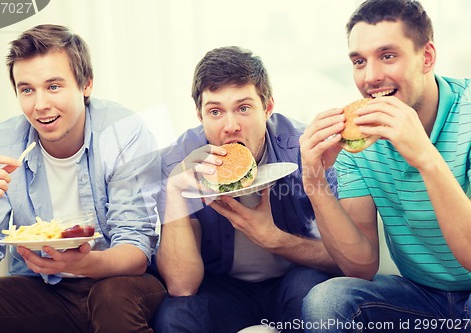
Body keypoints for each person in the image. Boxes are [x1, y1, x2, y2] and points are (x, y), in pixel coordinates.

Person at [0, 24, 166, 333]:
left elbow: (136, 250)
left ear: (86, 85)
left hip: (119, 280)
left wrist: (82, 264)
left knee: (112, 298)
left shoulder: (123, 131)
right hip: (46, 287)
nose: (40, 105)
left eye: (53, 86)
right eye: (27, 89)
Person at [299, 0, 471, 332]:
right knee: (326, 300)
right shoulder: (357, 140)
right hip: (419, 297)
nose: (371, 77)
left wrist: (424, 156)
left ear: (427, 57)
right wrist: (314, 182)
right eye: (359, 62)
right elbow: (361, 267)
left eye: (387, 56)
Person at [152, 46, 341, 333]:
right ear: (199, 115)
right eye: (215, 111)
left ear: (267, 108)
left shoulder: (305, 151)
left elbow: (344, 260)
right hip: (223, 288)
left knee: (312, 296)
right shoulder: (178, 163)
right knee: (174, 315)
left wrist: (273, 239)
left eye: (243, 108)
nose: (230, 126)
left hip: (293, 278)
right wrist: (175, 192)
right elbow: (182, 285)